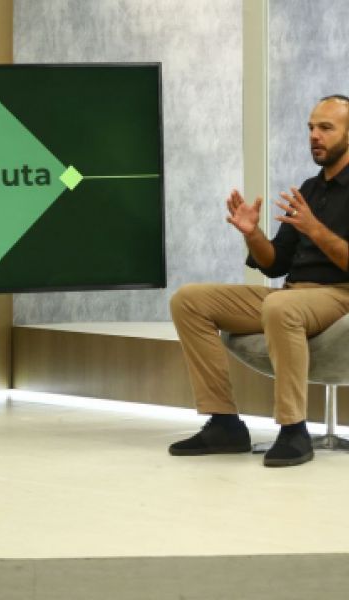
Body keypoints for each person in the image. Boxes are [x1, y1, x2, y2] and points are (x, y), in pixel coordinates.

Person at [169, 94, 349, 467]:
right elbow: (275, 263)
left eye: (326, 128)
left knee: (281, 305)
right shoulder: (311, 188)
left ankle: (293, 430)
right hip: (294, 294)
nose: (314, 136)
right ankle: (224, 423)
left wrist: (315, 229)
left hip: (339, 294)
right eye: (311, 128)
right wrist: (252, 233)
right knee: (189, 300)